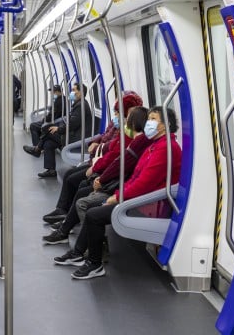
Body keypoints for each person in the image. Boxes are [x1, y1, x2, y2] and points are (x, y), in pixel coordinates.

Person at [53, 106, 182, 280]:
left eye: (153, 119)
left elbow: (145, 183)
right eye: (148, 118)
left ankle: (94, 263)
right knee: (93, 210)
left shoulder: (166, 149)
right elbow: (137, 177)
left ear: (165, 126)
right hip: (139, 197)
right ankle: (78, 253)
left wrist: (119, 197)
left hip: (149, 203)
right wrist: (119, 193)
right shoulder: (156, 145)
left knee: (94, 215)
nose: (148, 123)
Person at [42, 106, 151, 244]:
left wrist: (101, 176)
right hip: (110, 174)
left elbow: (118, 162)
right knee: (77, 182)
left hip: (116, 181)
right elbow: (112, 152)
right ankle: (65, 222)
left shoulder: (134, 142)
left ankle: (70, 231)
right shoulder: (125, 136)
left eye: (125, 116)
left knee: (82, 194)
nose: (119, 118)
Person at [23, 83, 92, 178]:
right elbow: (71, 122)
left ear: (80, 92)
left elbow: (72, 124)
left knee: (47, 129)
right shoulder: (78, 104)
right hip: (72, 134)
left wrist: (59, 129)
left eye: (74, 90)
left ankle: (37, 149)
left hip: (76, 138)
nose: (72, 92)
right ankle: (51, 170)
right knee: (48, 143)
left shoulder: (81, 106)